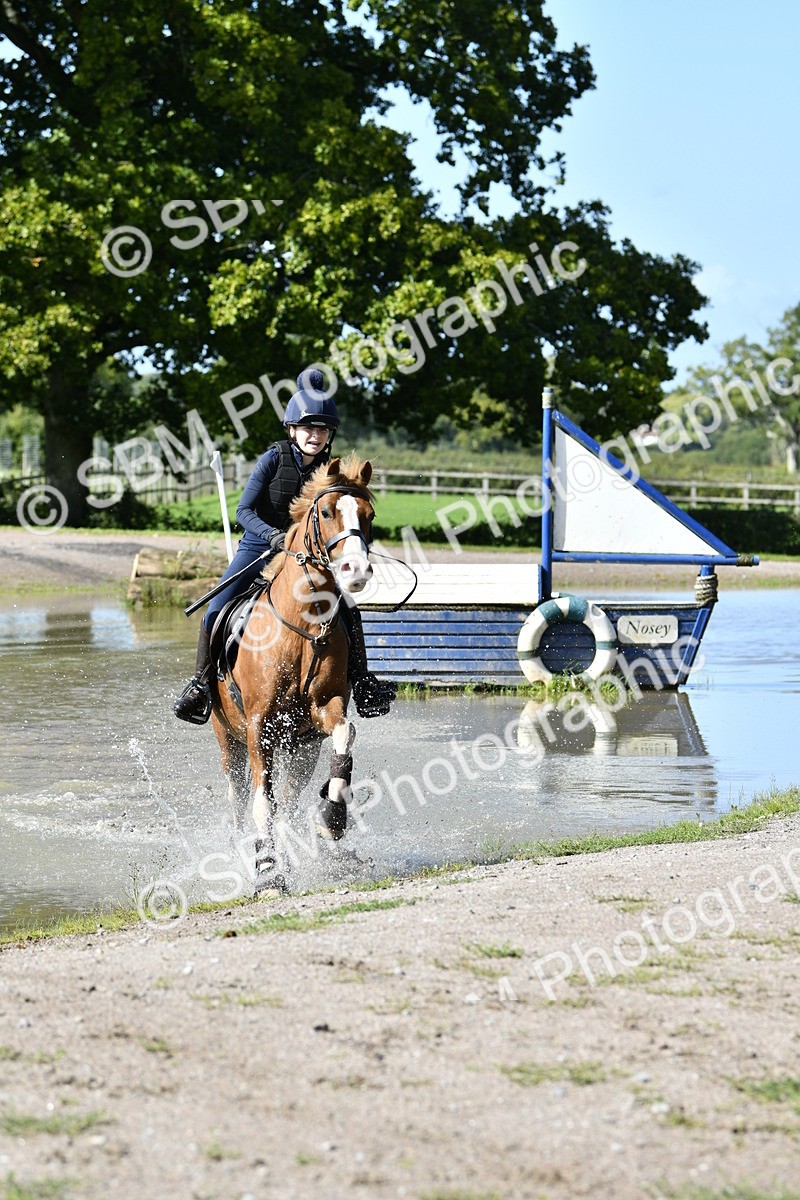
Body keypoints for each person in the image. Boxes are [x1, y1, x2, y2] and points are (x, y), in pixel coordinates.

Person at [173, 370, 396, 724]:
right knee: (215, 609)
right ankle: (200, 685)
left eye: (322, 429)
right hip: (259, 547)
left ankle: (364, 683)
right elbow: (243, 511)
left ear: (329, 435)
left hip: (309, 556)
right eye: (308, 428)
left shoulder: (330, 472)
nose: (315, 435)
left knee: (349, 611)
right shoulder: (273, 459)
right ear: (292, 430)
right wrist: (275, 537)